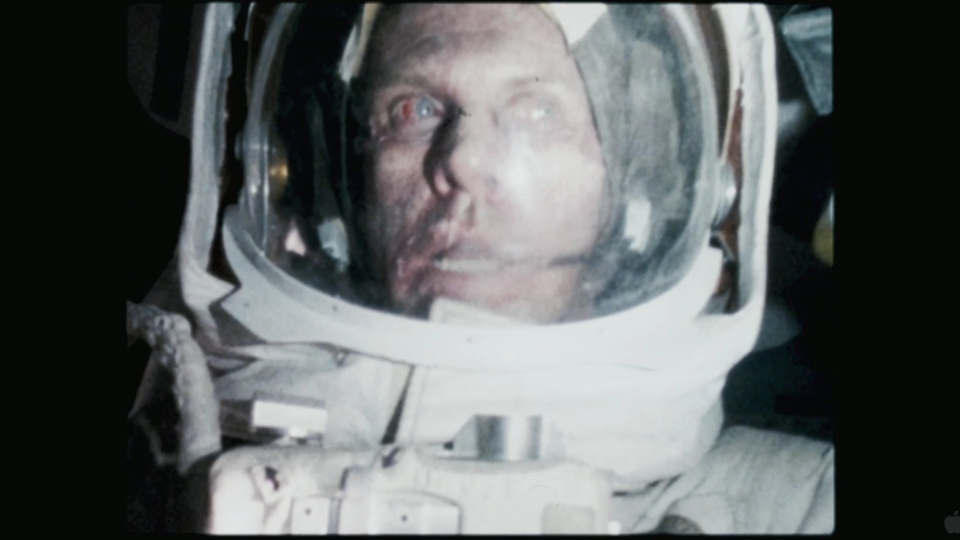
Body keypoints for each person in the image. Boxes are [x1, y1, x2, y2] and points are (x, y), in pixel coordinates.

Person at [127, 3, 834, 534]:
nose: (464, 159)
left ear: (632, 183)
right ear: (332, 181)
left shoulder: (805, 508)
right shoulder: (151, 480)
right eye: (415, 109)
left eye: (537, 112)